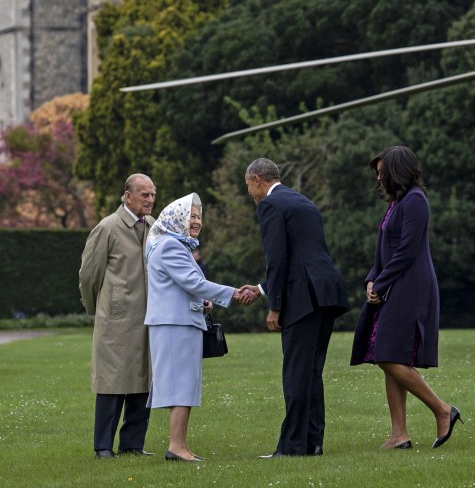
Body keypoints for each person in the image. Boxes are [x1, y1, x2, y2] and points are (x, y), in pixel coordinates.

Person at [350, 146, 462, 450]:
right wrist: (372, 279)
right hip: (393, 285)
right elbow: (385, 250)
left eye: (382, 171)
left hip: (411, 287)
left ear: (398, 170)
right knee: (390, 355)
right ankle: (399, 434)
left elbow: (407, 251)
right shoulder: (396, 203)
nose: (379, 177)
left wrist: (382, 282)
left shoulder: (415, 201)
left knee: (387, 354)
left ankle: (442, 409)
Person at [244, 158, 350, 458]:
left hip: (303, 298)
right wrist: (263, 288)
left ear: (257, 180)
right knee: (311, 372)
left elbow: (277, 259)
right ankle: (312, 443)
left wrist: (275, 306)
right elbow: (301, 255)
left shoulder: (270, 205)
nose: (249, 193)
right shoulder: (302, 201)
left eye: (248, 186)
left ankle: (291, 447)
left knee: (295, 373)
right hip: (326, 292)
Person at [144, 192, 255, 462]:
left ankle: (180, 446)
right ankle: (175, 447)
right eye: (191, 216)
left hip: (180, 322)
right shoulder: (171, 246)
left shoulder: (175, 245)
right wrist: (232, 293)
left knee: (185, 384)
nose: (196, 221)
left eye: (198, 217)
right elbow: (193, 282)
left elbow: (184, 286)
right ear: (177, 217)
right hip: (174, 325)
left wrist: (203, 302)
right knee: (180, 384)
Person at [79, 173, 157, 459]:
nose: (150, 200)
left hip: (149, 318)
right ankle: (103, 446)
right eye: (144, 195)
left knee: (142, 380)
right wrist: (96, 309)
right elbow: (89, 275)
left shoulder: (153, 226)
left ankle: (133, 444)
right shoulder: (107, 228)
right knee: (112, 383)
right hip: (115, 320)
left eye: (152, 194)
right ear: (127, 196)